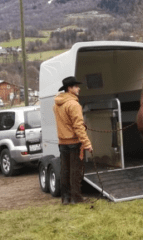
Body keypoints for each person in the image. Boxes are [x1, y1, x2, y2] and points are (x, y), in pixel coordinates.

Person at [53, 76, 93, 205]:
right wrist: (87, 143)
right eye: (76, 86)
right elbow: (77, 126)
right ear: (69, 88)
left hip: (62, 142)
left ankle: (65, 198)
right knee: (75, 172)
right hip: (74, 142)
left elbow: (66, 123)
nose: (78, 88)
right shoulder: (73, 104)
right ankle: (77, 199)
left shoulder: (57, 104)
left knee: (64, 171)